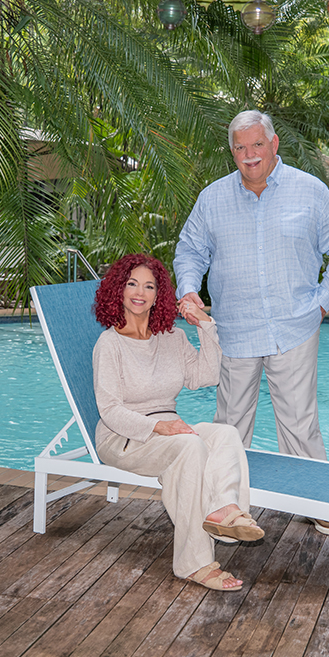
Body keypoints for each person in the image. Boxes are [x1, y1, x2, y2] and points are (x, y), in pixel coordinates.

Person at [175, 110, 329, 536]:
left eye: (257, 144)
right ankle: (226, 511)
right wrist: (188, 288)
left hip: (293, 328)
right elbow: (189, 251)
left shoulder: (309, 191)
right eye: (240, 147)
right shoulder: (213, 198)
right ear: (232, 152)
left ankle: (319, 502)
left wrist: (322, 302)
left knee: (299, 423)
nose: (249, 155)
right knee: (229, 428)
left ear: (274, 144)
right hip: (235, 331)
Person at [92, 253, 264, 592]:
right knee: (189, 445)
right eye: (131, 284)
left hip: (170, 432)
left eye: (149, 286)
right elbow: (109, 409)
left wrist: (206, 326)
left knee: (225, 434)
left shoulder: (170, 337)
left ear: (159, 295)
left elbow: (207, 375)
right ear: (118, 291)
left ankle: (223, 509)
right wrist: (159, 427)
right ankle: (194, 564)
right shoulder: (109, 344)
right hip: (123, 436)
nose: (139, 292)